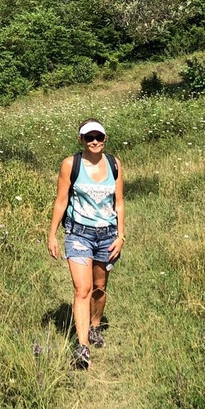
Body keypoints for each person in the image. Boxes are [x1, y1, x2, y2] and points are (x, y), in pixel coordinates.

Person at [47, 118, 125, 369]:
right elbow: (61, 201)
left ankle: (95, 326)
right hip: (78, 233)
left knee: (99, 288)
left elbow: (119, 203)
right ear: (80, 139)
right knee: (83, 289)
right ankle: (82, 347)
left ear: (105, 139)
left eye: (98, 137)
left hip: (107, 235)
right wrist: (52, 234)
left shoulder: (114, 164)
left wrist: (121, 236)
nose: (94, 141)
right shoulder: (71, 164)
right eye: (89, 137)